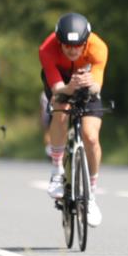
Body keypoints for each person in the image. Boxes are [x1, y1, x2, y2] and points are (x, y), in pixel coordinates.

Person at [38, 13, 108, 227]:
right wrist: (69, 88)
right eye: (67, 45)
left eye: (77, 45)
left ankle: (91, 194)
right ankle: (57, 170)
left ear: (86, 41)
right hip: (60, 83)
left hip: (88, 84)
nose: (72, 49)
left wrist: (88, 84)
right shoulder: (47, 49)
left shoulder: (98, 47)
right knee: (60, 109)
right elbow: (57, 89)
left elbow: (97, 86)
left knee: (90, 137)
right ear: (59, 41)